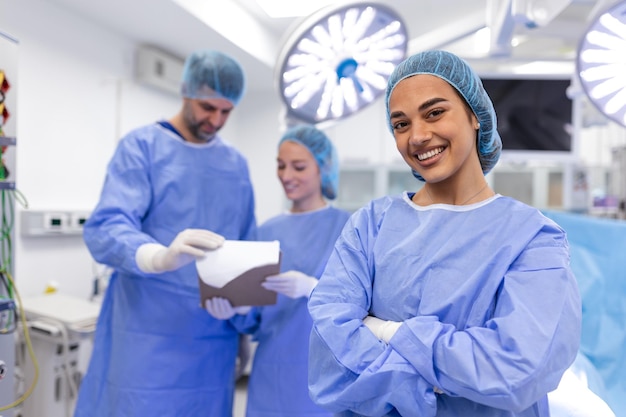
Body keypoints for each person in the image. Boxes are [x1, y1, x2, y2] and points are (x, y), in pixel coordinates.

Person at [307, 50, 582, 417]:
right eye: (401, 124)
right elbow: (330, 355)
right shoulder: (370, 225)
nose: (418, 136)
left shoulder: (532, 238)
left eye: (434, 112)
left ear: (475, 117)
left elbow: (516, 369)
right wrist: (448, 375)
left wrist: (389, 333)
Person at [74, 50, 256, 417]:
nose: (216, 120)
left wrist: (242, 310)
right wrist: (157, 257)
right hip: (146, 335)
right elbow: (108, 225)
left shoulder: (235, 164)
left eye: (226, 111)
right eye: (208, 107)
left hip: (212, 339)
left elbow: (244, 243)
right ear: (186, 91)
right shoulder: (142, 147)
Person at [206, 124, 350, 416]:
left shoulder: (349, 227)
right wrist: (238, 311)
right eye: (281, 166)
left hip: (326, 373)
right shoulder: (266, 232)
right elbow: (255, 318)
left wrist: (313, 288)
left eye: (298, 167)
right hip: (272, 371)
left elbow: (363, 307)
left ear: (323, 168)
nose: (286, 176)